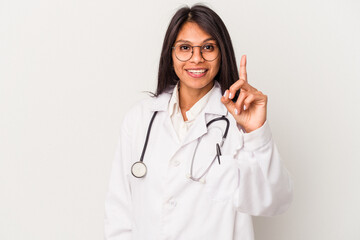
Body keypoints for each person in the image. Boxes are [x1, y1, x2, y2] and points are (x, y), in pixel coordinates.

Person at [104, 4, 293, 240]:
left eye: (208, 47)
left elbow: (275, 200)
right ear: (170, 53)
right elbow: (119, 213)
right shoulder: (140, 119)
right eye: (185, 48)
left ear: (221, 52)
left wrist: (257, 133)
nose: (197, 58)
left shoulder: (238, 122)